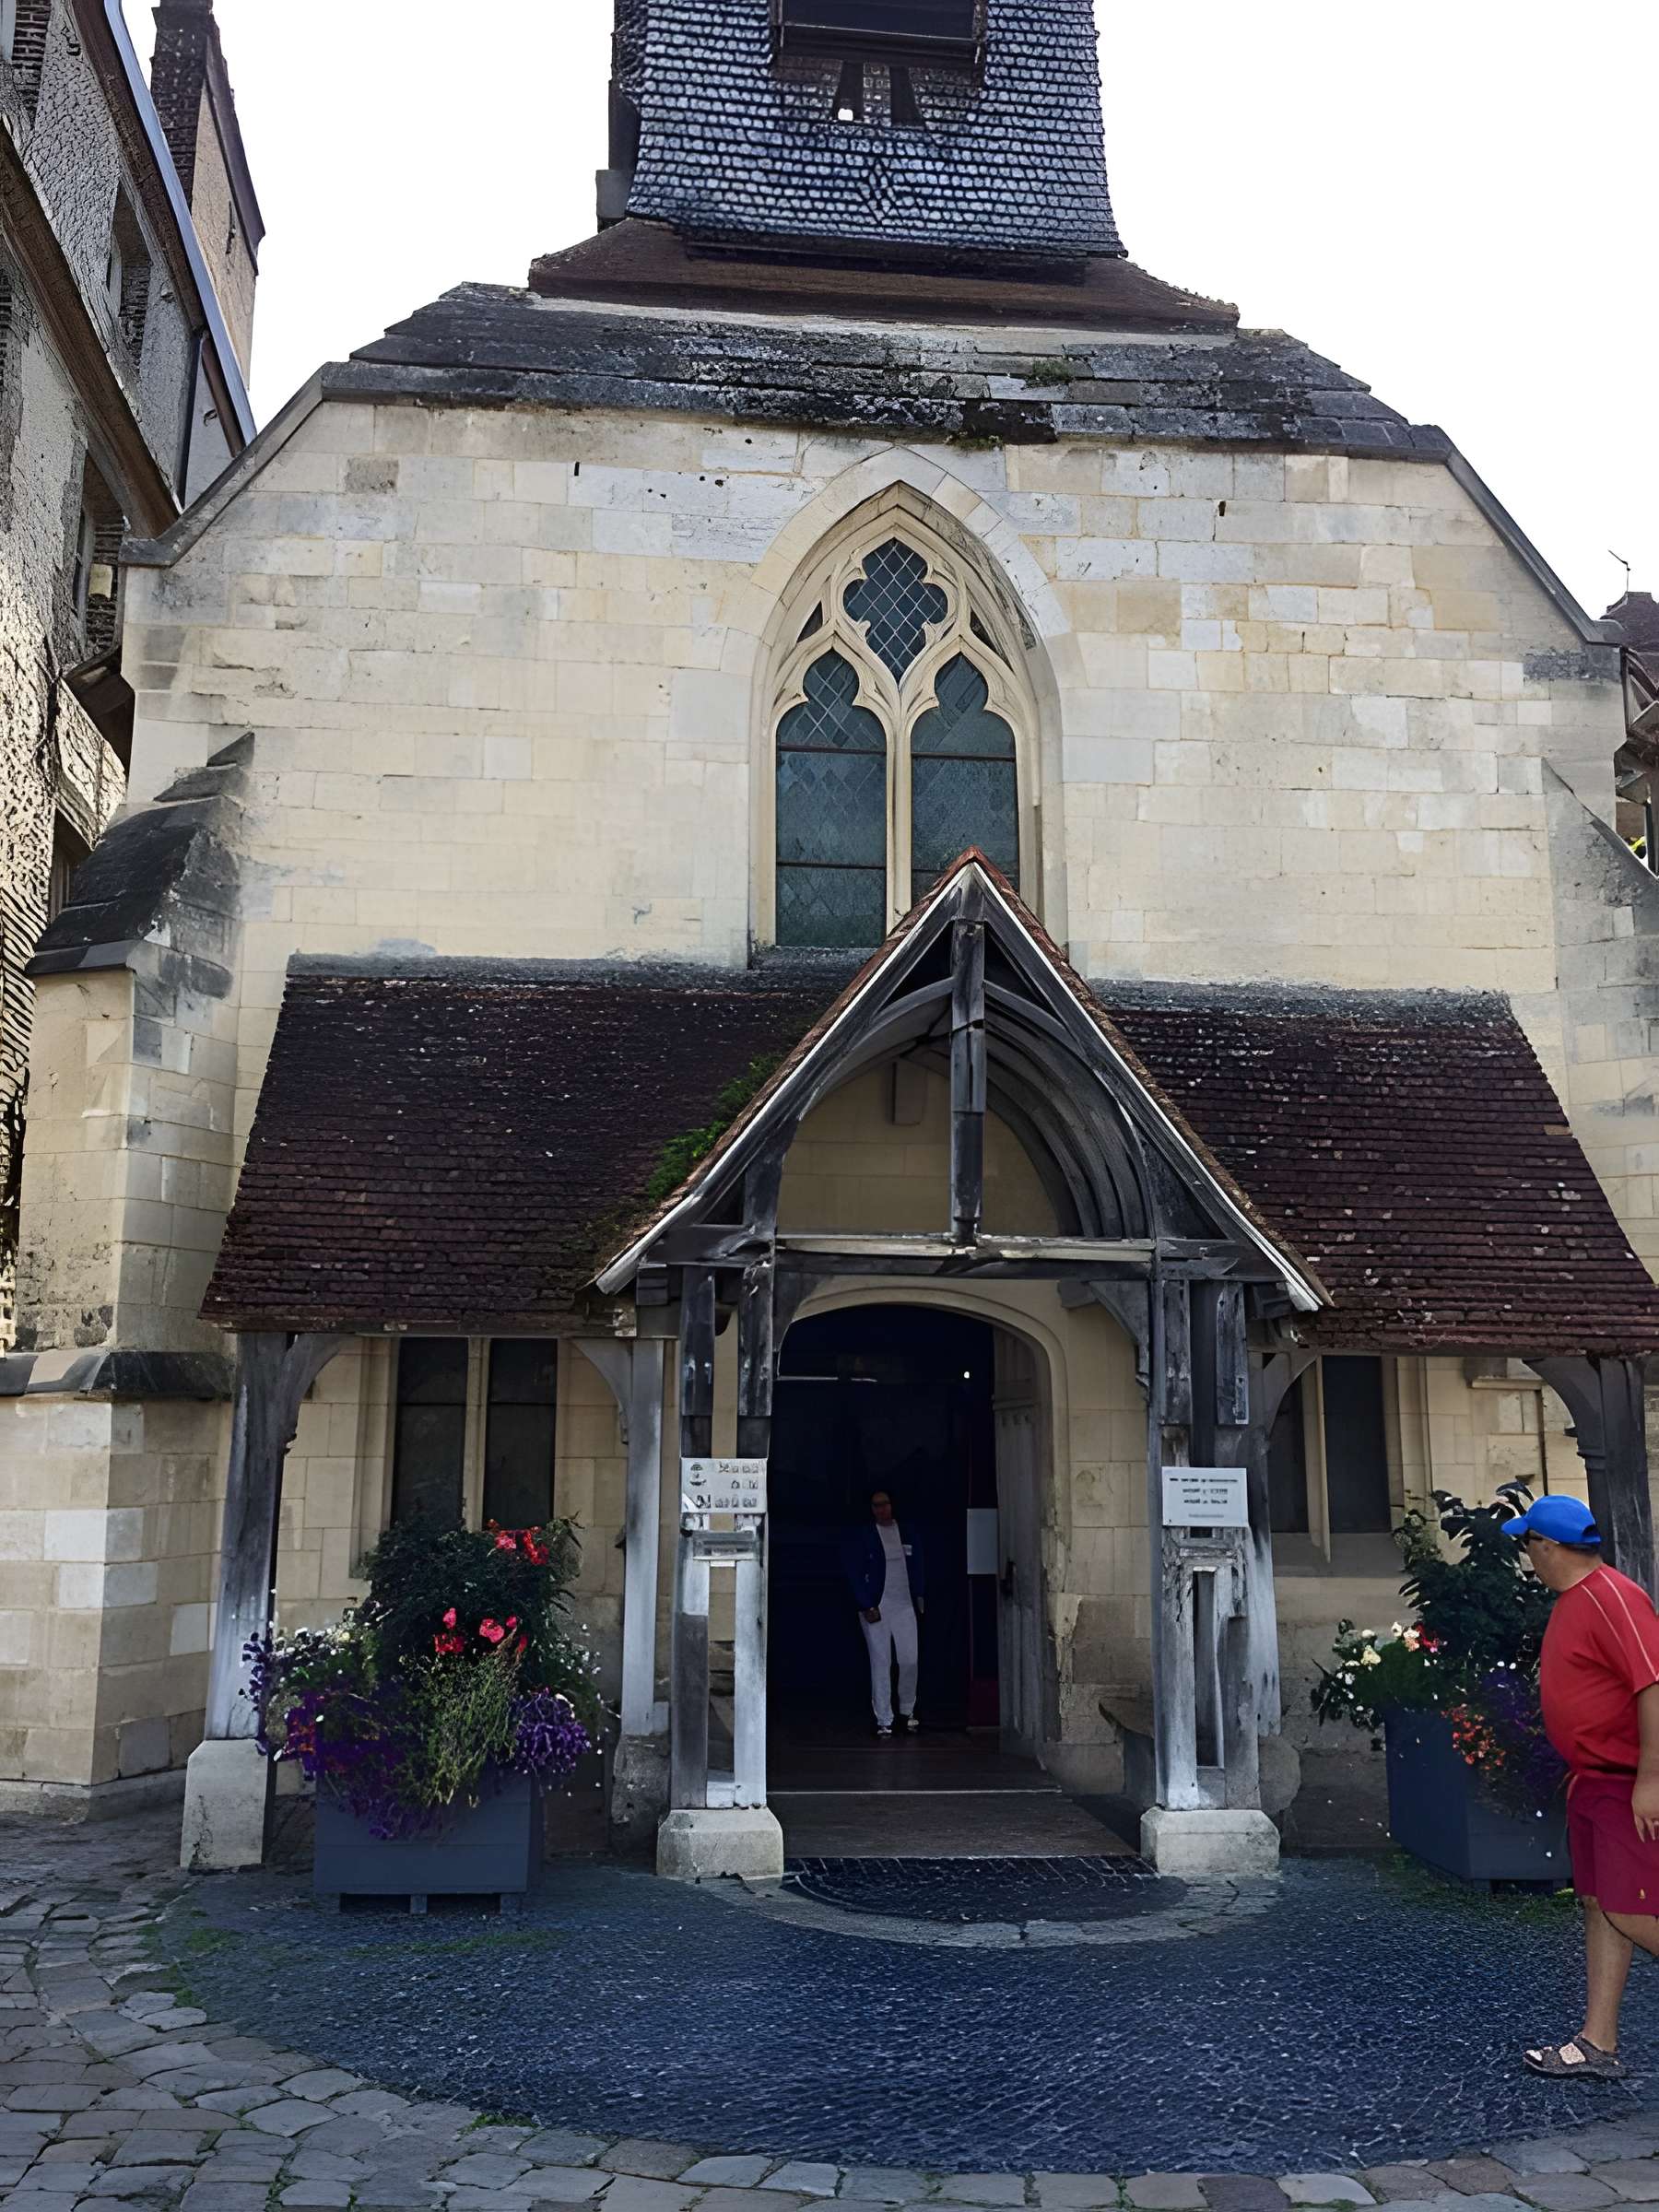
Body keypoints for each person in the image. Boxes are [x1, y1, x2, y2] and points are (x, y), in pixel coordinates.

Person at [1508, 1494, 1659, 2081]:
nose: (1527, 1556)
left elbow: (1653, 1684)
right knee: (1600, 1905)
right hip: (1595, 1780)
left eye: (1528, 1544)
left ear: (1548, 1546)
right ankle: (1598, 2044)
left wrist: (1651, 1779)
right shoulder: (1578, 1598)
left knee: (1631, 1908)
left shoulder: (1612, 1596)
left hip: (1626, 1783)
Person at [841, 1488, 926, 1739]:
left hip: (904, 1604)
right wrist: (866, 1604)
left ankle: (907, 1711)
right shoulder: (864, 1535)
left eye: (885, 1504)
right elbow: (854, 1571)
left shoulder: (907, 1531)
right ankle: (884, 1719)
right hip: (876, 1606)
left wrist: (920, 1594)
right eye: (876, 1505)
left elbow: (918, 1564)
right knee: (881, 1663)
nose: (882, 1509)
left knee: (910, 1660)